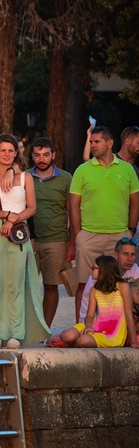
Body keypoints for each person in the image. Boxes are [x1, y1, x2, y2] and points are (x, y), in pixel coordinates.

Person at [0, 134, 48, 349]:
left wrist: (15, 218)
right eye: (3, 150)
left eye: (11, 150)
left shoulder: (25, 177)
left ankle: (16, 333)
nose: (7, 154)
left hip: (18, 232)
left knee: (16, 284)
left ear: (16, 153)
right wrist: (7, 215)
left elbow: (32, 207)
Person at [69, 125, 139, 316]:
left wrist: (130, 230)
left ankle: (118, 328)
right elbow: (73, 204)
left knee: (121, 285)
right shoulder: (82, 170)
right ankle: (81, 326)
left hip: (119, 236)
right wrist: (78, 234)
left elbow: (135, 201)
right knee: (83, 284)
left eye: (97, 141)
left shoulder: (127, 170)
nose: (93, 145)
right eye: (91, 141)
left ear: (110, 143)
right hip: (88, 236)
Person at [29, 137, 72, 326]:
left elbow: (72, 211)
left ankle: (45, 328)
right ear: (32, 156)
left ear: (53, 155)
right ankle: (28, 329)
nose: (42, 159)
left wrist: (72, 242)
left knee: (51, 285)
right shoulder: (24, 177)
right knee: (26, 287)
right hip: (28, 241)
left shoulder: (66, 178)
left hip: (56, 240)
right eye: (37, 155)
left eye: (46, 155)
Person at [55, 256, 136, 349]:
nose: (91, 271)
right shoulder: (94, 289)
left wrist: (133, 342)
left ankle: (71, 343)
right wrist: (89, 325)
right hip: (94, 325)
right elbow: (89, 315)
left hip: (112, 333)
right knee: (67, 336)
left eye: (94, 268)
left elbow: (129, 314)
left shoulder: (123, 286)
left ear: (103, 271)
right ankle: (65, 340)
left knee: (83, 341)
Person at [77, 237, 139, 323]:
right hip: (98, 321)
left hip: (122, 318)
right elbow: (86, 303)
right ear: (116, 255)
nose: (129, 259)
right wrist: (83, 324)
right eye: (125, 254)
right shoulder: (100, 273)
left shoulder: (134, 269)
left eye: (132, 254)